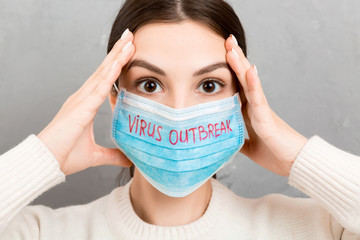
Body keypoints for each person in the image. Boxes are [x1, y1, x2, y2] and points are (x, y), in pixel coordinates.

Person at [0, 0, 359, 239]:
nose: (178, 112)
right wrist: (44, 156)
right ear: (115, 97)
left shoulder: (319, 229)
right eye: (150, 84)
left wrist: (298, 156)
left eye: (208, 84)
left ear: (242, 102)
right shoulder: (40, 233)